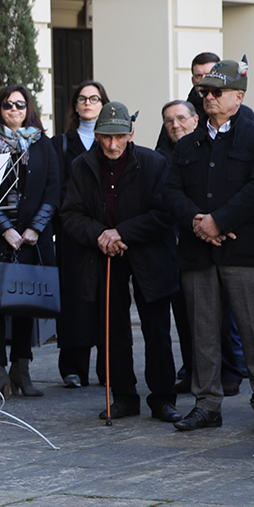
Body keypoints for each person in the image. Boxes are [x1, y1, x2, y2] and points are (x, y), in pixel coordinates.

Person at [162, 58, 254, 435]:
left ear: (238, 96)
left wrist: (220, 220)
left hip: (245, 251)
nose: (208, 97)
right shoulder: (188, 140)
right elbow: (170, 191)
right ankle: (207, 404)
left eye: (216, 92)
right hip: (199, 251)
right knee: (203, 333)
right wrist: (199, 221)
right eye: (204, 92)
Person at [59, 102, 180, 422]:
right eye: (106, 137)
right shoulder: (81, 165)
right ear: (97, 135)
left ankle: (163, 397)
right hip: (104, 257)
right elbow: (70, 214)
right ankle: (123, 396)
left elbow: (165, 213)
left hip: (149, 255)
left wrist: (122, 232)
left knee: (157, 329)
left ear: (131, 135)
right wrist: (100, 234)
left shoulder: (154, 163)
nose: (113, 145)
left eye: (120, 137)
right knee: (113, 329)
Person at [0, 84, 59, 397]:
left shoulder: (42, 143)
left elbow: (53, 188)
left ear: (28, 108)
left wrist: (35, 228)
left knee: (26, 304)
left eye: (20, 105)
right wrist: (6, 228)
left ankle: (22, 367)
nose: (14, 111)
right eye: (7, 105)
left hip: (33, 239)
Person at [160, 100, 245, 397]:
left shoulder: (209, 149)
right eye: (169, 120)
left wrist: (206, 224)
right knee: (187, 316)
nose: (175, 125)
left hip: (215, 240)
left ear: (195, 120)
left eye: (181, 118)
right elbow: (168, 197)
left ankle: (231, 371)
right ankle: (194, 369)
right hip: (179, 247)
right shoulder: (163, 155)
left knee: (221, 315)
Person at [52, 81, 109, 388]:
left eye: (95, 98)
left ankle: (107, 366)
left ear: (104, 104)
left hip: (106, 233)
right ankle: (73, 367)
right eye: (82, 99)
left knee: (106, 299)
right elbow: (57, 187)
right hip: (72, 233)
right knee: (74, 300)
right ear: (74, 106)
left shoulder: (112, 141)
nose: (88, 103)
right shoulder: (60, 143)